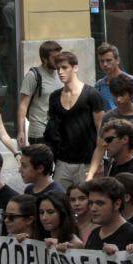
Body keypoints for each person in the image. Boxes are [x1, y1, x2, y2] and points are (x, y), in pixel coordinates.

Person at [44, 51, 104, 187]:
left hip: (87, 163)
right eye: (58, 68)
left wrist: (95, 167)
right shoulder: (54, 97)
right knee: (58, 203)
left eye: (64, 67)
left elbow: (101, 133)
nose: (60, 72)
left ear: (75, 68)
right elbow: (53, 131)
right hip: (62, 163)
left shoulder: (92, 94)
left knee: (87, 204)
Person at [82, 176, 133, 254]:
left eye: (100, 203)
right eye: (90, 203)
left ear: (117, 204)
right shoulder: (94, 233)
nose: (93, 208)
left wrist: (118, 255)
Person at [17, 39, 62, 146]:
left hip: (57, 131)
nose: (58, 60)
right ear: (44, 59)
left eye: (59, 57)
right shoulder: (33, 76)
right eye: (54, 58)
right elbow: (23, 105)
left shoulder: (61, 74)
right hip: (39, 133)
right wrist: (20, 131)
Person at [94, 42, 133, 111]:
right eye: (101, 61)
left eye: (108, 60)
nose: (105, 64)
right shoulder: (99, 86)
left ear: (117, 60)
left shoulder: (131, 81)